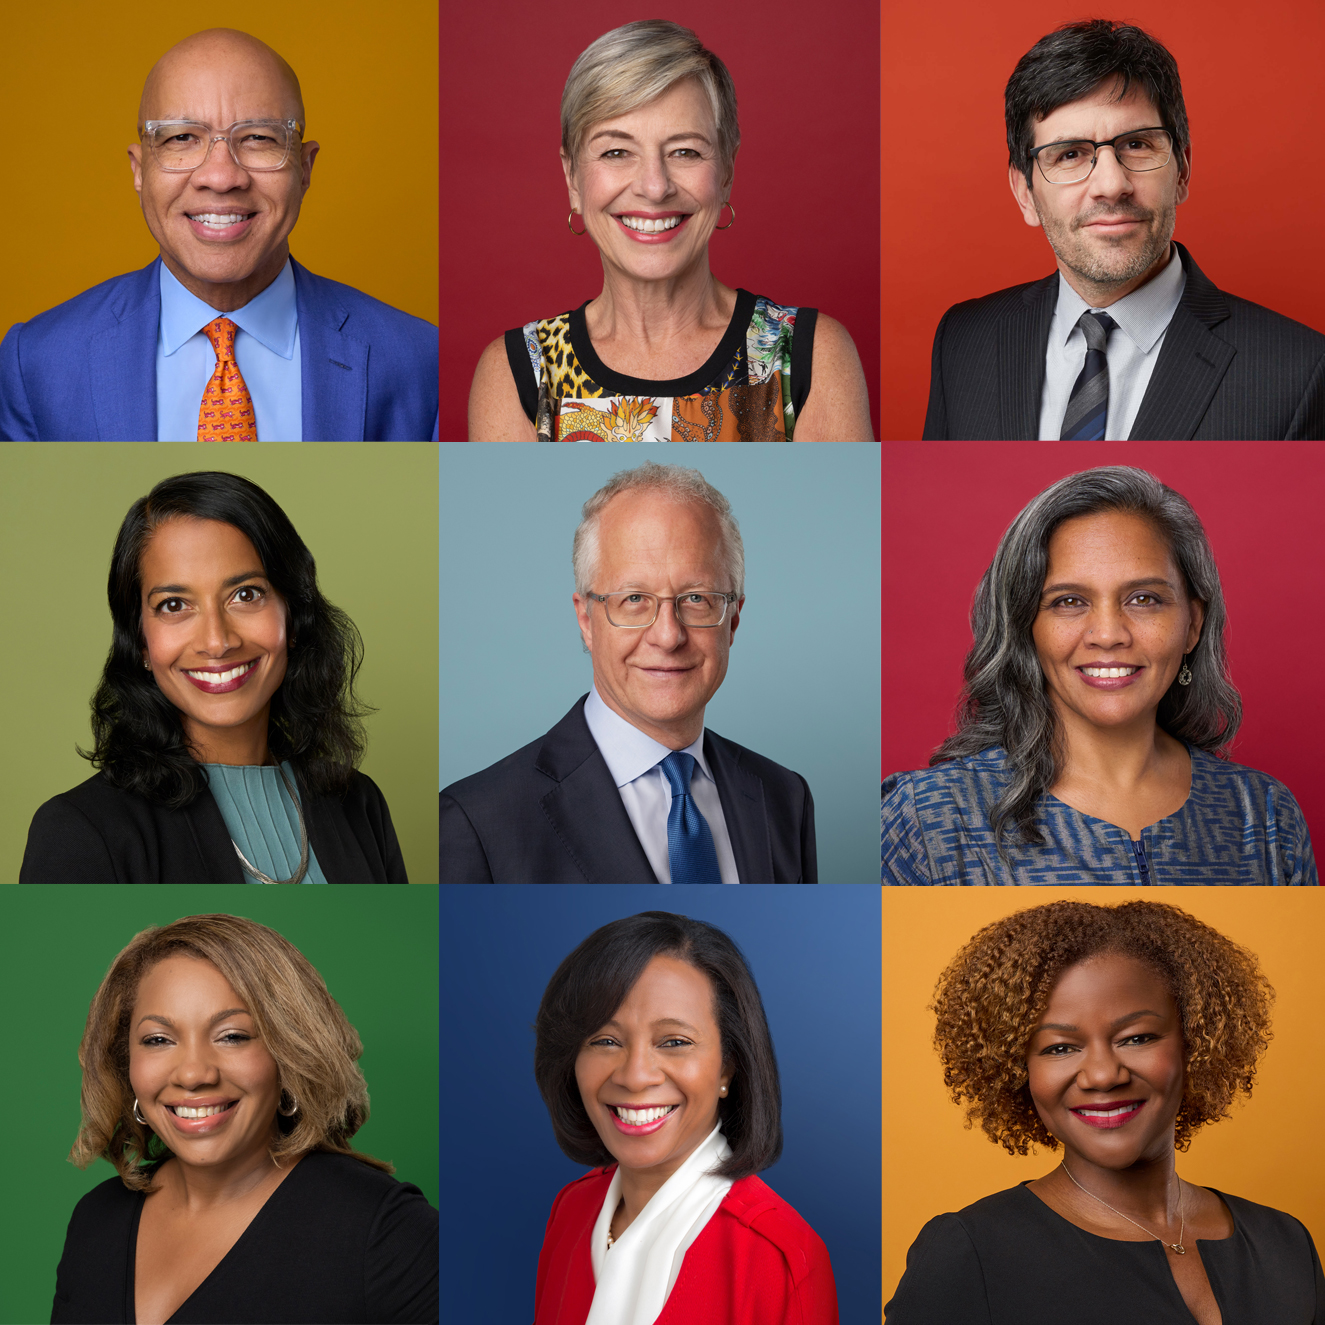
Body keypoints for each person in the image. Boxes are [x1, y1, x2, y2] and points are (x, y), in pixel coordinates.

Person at [885, 900, 1324, 1323]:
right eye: (1059, 1047)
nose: (1101, 1075)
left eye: (1136, 1038)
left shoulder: (1285, 1243)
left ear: (1195, 1041)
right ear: (1018, 1071)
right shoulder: (970, 1253)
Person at [880, 466, 1316, 884]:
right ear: (1024, 626)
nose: (1108, 635)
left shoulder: (1265, 816)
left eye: (1144, 599)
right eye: (1068, 602)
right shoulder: (926, 817)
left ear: (1193, 625)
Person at [0, 28, 437, 442]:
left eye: (260, 137)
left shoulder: (419, 361)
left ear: (304, 169)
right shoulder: (35, 361)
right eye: (182, 137)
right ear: (139, 170)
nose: (221, 176)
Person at [468, 20, 872, 443]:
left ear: (726, 173)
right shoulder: (519, 373)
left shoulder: (809, 355)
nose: (655, 186)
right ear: (573, 179)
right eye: (617, 151)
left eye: (685, 151)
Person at [922, 20, 1325, 441]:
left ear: (1182, 170)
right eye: (1070, 154)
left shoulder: (1301, 373)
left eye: (1136, 144)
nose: (1111, 185)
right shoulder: (963, 341)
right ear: (1025, 192)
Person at [21, 471, 408, 884]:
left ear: (293, 617)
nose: (217, 641)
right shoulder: (80, 831)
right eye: (174, 605)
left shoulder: (358, 804)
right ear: (142, 645)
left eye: (245, 594)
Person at [49, 913, 438, 1324]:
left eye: (232, 1036)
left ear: (288, 1054)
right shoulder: (96, 1221)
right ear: (126, 1061)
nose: (194, 1074)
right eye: (159, 1040)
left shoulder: (383, 1231)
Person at [439, 462, 816, 883]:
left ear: (733, 619)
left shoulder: (785, 797)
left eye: (696, 599)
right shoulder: (476, 822)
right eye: (634, 598)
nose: (668, 635)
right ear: (586, 620)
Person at [533, 911, 838, 1324]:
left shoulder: (781, 1256)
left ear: (728, 1066)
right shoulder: (569, 1211)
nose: (635, 1076)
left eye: (674, 1041)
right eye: (605, 1040)